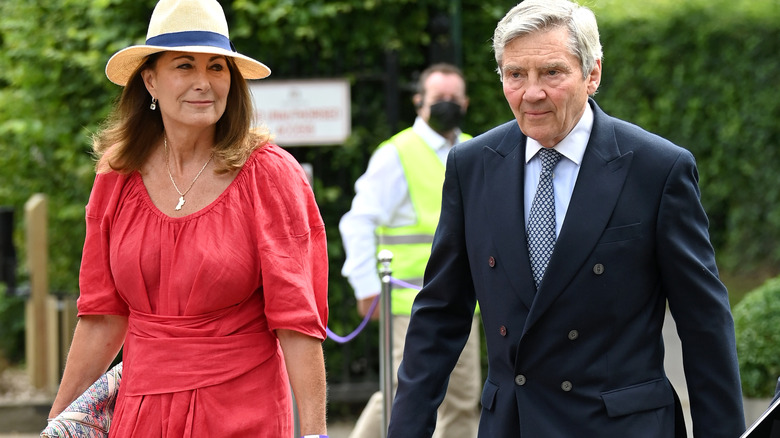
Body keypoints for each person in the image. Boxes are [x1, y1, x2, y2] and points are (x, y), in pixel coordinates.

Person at [387, 1, 746, 437]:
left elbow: (703, 322)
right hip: (513, 425)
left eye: (551, 73)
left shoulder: (657, 168)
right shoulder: (472, 165)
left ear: (592, 74)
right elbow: (440, 314)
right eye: (515, 74)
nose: (531, 93)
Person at [45, 0, 329, 436]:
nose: (204, 83)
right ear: (150, 81)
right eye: (184, 65)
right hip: (139, 414)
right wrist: (58, 423)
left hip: (244, 411)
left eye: (217, 67)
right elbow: (102, 315)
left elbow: (297, 322)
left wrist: (314, 433)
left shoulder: (269, 174)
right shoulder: (116, 176)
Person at [340, 63, 481, 438]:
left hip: (464, 302)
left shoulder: (472, 149)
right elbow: (358, 221)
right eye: (439, 99)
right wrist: (366, 286)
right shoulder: (396, 154)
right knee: (401, 394)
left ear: (466, 103)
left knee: (463, 402)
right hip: (408, 304)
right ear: (419, 102)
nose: (448, 105)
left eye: (455, 98)